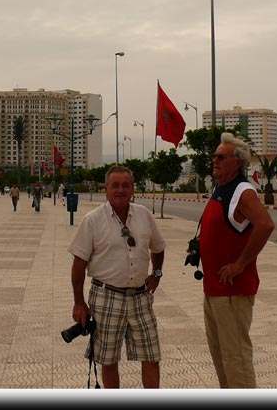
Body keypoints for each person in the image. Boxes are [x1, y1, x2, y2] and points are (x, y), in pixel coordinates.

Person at [67, 165, 165, 388]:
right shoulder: (93, 220)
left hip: (141, 297)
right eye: (115, 185)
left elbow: (158, 247)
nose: (121, 190)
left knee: (152, 355)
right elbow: (78, 264)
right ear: (106, 189)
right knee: (108, 359)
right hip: (106, 296)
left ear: (132, 188)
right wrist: (79, 302)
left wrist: (157, 274)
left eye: (126, 185)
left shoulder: (144, 215)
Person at [198, 132, 275, 388]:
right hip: (214, 289)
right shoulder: (221, 188)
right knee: (221, 356)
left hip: (232, 291)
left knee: (236, 357)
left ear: (238, 162)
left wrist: (240, 264)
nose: (215, 160)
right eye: (214, 156)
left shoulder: (242, 191)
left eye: (221, 157)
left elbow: (265, 225)